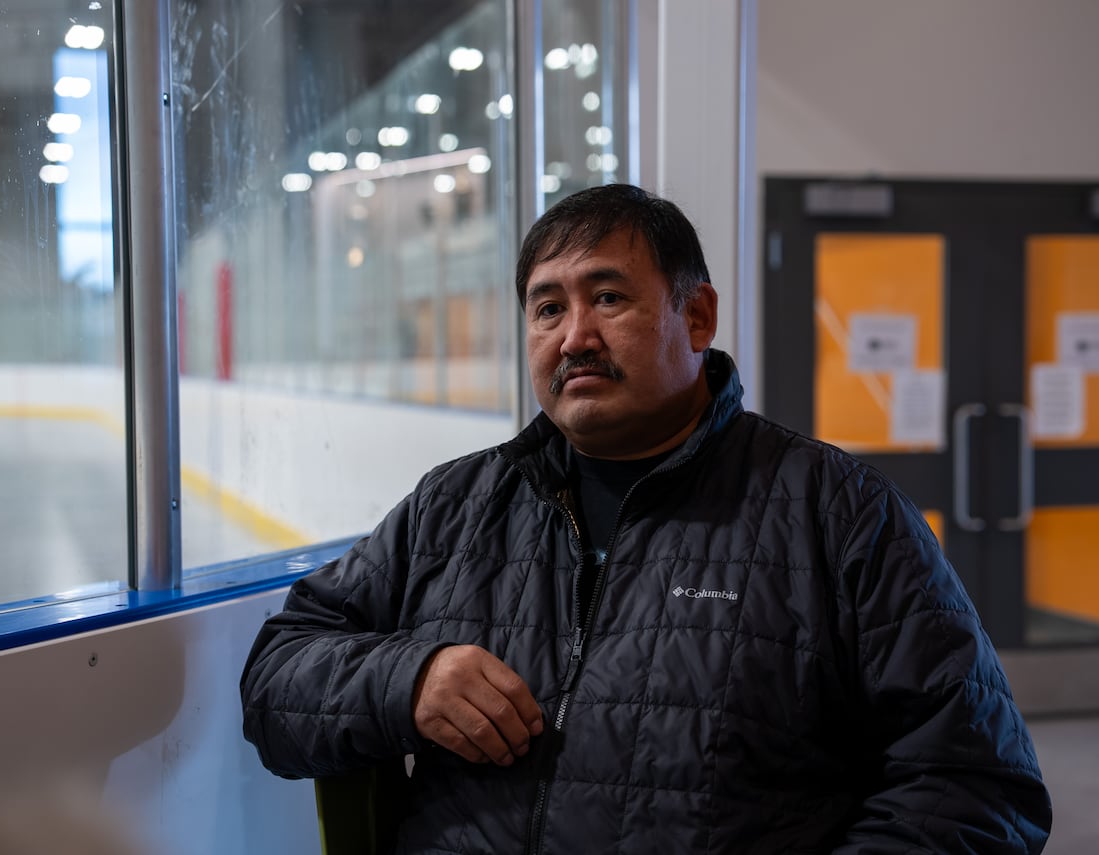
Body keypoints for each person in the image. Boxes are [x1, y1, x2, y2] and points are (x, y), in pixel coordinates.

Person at [240, 183, 1051, 853]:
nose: (574, 337)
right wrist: (405, 679)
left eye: (609, 297)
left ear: (697, 318)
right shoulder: (455, 506)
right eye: (547, 309)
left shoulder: (838, 513)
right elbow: (275, 679)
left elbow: (977, 787)